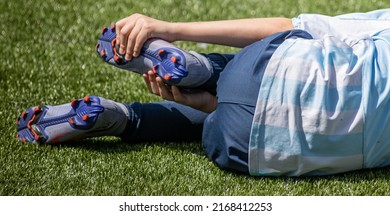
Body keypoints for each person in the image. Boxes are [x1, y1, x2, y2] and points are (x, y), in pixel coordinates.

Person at [16, 9, 390, 176]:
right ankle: (127, 119)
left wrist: (172, 27)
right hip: (246, 147)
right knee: (230, 119)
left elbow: (284, 24)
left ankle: (202, 69)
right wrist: (213, 107)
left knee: (297, 46)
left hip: (264, 70)